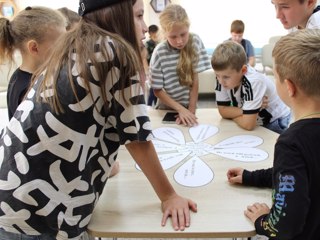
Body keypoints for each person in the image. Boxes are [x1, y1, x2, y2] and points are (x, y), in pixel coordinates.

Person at [0, 0, 197, 239]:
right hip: (37, 217)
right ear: (116, 14)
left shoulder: (75, 44)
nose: (145, 27)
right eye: (137, 16)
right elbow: (137, 137)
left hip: (13, 197)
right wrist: (169, 196)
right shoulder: (114, 50)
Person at [227, 29, 320, 239]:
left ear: (289, 87)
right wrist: (251, 176)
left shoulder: (291, 143)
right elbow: (297, 175)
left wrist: (262, 221)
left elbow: (286, 224)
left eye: (274, 76)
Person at [149, 4, 211, 126]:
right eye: (173, 37)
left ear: (188, 27)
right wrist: (180, 109)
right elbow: (157, 90)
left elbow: (195, 80)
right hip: (165, 109)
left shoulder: (195, 41)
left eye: (183, 34)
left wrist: (191, 111)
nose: (179, 41)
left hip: (189, 107)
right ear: (165, 33)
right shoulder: (159, 52)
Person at [0, 6, 66, 120]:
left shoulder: (19, 76)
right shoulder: (29, 91)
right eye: (61, 43)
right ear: (34, 48)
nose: (67, 48)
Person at [211, 40, 291, 134]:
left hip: (276, 122)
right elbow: (223, 111)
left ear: (244, 70)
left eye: (226, 77)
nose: (220, 81)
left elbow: (248, 125)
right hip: (256, 120)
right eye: (217, 75)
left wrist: (234, 114)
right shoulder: (222, 77)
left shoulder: (254, 81)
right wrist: (247, 111)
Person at [145, 24, 160, 107]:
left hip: (157, 69)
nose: (156, 35)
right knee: (152, 90)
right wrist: (147, 71)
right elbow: (145, 58)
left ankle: (154, 105)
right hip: (152, 69)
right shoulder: (148, 44)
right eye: (154, 33)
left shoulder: (158, 43)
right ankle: (149, 106)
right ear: (150, 33)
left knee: (156, 89)